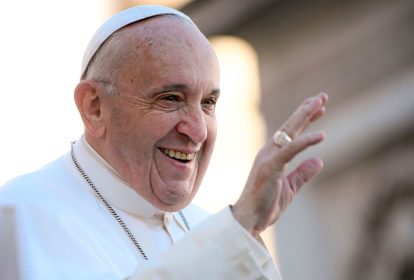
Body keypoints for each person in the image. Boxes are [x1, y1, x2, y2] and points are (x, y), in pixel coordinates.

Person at [0, 5, 328, 280]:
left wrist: (242, 232)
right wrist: (238, 227)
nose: (197, 131)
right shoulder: (26, 213)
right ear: (94, 107)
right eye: (171, 98)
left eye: (208, 103)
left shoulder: (205, 225)